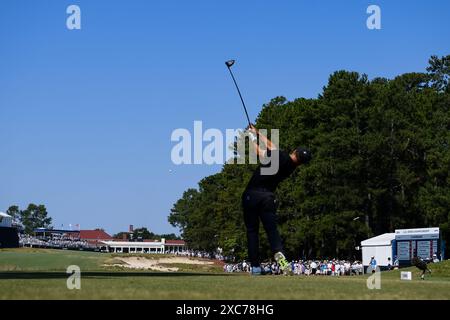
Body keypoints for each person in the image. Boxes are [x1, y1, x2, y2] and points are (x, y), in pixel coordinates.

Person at [242, 124, 312, 275]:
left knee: (252, 231)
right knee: (272, 230)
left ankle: (255, 267)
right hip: (268, 197)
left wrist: (253, 135)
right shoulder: (290, 168)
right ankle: (279, 253)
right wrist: (255, 135)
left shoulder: (281, 156)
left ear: (294, 151)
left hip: (252, 194)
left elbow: (265, 150)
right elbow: (267, 149)